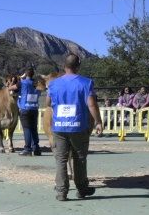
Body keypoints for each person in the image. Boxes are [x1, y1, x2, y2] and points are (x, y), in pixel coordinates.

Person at [45, 53, 102, 201]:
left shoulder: (53, 84)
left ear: (64, 65)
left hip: (59, 127)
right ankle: (82, 189)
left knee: (61, 160)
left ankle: (61, 192)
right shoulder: (86, 82)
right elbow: (91, 104)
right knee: (80, 158)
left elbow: (47, 103)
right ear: (78, 66)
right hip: (78, 126)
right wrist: (98, 121)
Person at [16, 66, 41, 156]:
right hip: (34, 109)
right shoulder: (36, 84)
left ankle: (27, 149)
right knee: (34, 129)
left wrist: (20, 78)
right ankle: (36, 148)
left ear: (25, 74)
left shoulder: (22, 83)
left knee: (27, 129)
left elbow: (11, 88)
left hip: (25, 109)